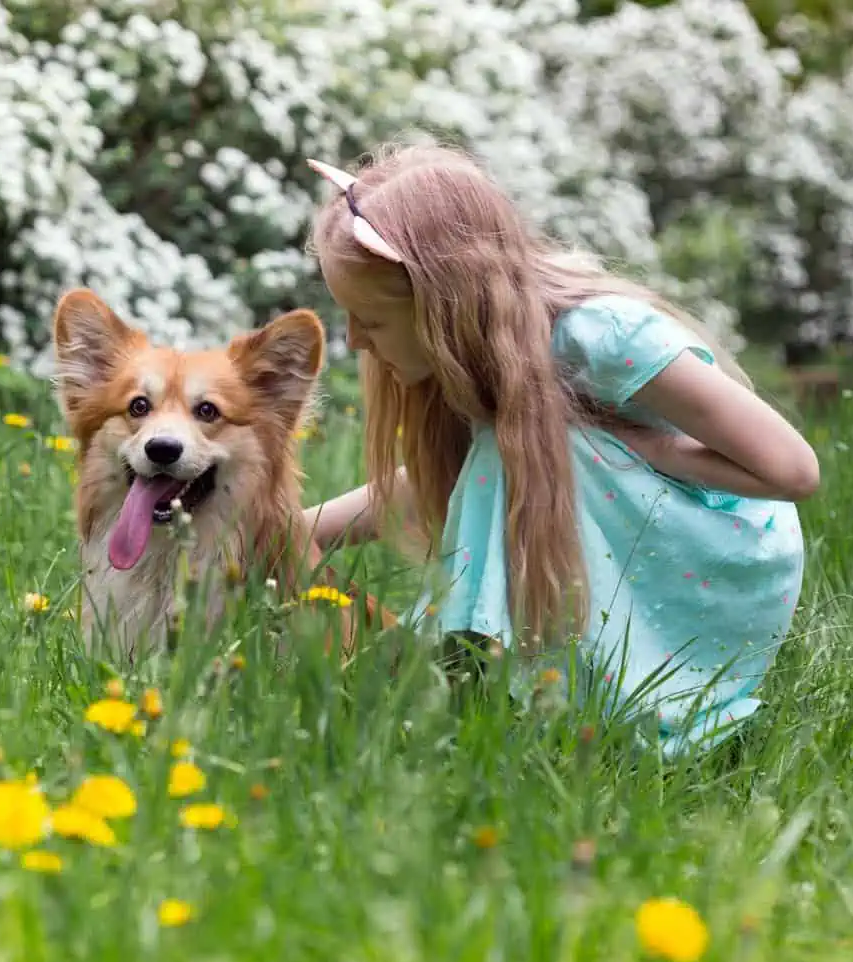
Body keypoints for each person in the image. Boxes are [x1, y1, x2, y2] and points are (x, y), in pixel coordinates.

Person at [300, 143, 819, 756]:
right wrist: (296, 528)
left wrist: (656, 449)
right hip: (639, 531)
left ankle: (502, 678)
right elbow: (447, 479)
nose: (357, 340)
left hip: (719, 548)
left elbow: (793, 470)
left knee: (545, 442)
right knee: (520, 444)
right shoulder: (486, 356)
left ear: (442, 303)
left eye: (372, 320)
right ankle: (503, 679)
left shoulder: (599, 336)